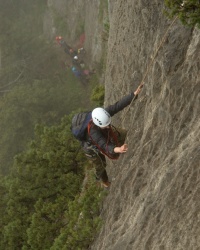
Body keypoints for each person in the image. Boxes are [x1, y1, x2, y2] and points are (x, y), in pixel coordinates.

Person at [81, 84, 143, 187]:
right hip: (90, 147)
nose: (108, 126)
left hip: (101, 134)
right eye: (105, 125)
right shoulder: (93, 133)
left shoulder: (102, 115)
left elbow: (117, 106)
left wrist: (133, 95)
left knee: (122, 134)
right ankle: (104, 181)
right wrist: (117, 149)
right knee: (101, 165)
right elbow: (104, 145)